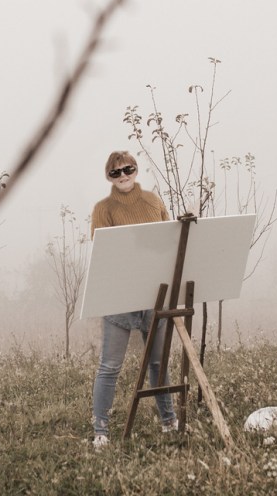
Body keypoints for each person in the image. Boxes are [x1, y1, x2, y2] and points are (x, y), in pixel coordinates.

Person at [90, 150, 177, 449]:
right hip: (120, 296)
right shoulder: (103, 209)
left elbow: (169, 242)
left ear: (136, 170)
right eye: (116, 172)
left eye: (128, 169)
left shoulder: (153, 201)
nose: (123, 175)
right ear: (108, 176)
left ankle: (169, 421)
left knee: (158, 363)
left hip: (155, 295)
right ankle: (100, 430)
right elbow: (102, 252)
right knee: (110, 366)